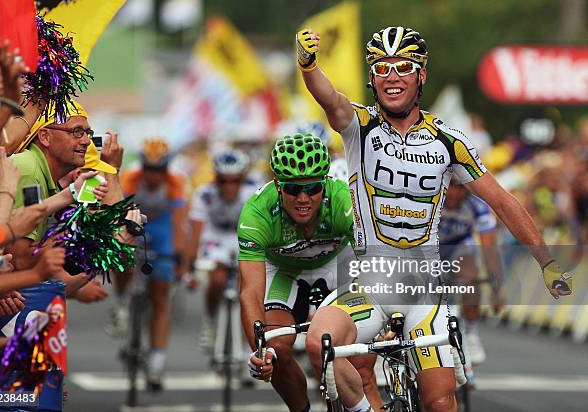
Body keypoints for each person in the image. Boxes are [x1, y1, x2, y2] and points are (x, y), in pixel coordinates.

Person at [297, 26, 573, 412]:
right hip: (369, 280)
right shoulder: (359, 125)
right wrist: (308, 65)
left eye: (404, 67)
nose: (392, 77)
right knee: (318, 342)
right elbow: (329, 98)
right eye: (382, 68)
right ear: (372, 78)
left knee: (440, 401)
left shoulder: (449, 141)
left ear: (421, 75)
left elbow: (504, 202)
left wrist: (547, 263)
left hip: (423, 286)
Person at [239, 134, 383, 412]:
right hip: (283, 271)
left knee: (360, 362)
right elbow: (251, 292)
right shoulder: (256, 214)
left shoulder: (345, 200)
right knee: (276, 348)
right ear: (278, 185)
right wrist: (259, 352)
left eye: (313, 188)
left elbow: (374, 265)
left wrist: (388, 318)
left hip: (338, 267)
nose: (303, 198)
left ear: (325, 183)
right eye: (293, 189)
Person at [0, 101, 110, 412]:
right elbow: (20, 259)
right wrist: (83, 239)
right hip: (3, 313)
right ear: (44, 136)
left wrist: (102, 249)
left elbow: (54, 280)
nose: (85, 141)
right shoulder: (27, 168)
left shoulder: (44, 175)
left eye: (88, 133)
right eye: (76, 131)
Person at [113, 137, 187, 391]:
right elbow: (116, 215)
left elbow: (179, 224)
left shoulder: (175, 183)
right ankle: (123, 299)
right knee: (121, 255)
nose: (154, 175)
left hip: (162, 227)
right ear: (143, 167)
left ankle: (156, 360)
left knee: (160, 294)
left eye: (159, 170)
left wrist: (178, 257)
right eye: (150, 169)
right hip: (134, 221)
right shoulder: (130, 179)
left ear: (167, 169)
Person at [185, 148, 257, 350]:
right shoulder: (204, 194)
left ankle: (245, 346)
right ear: (216, 179)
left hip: (242, 234)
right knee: (216, 278)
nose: (229, 186)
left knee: (248, 286)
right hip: (215, 235)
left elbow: (263, 229)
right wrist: (190, 267)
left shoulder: (253, 193)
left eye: (235, 181)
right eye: (223, 181)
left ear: (242, 179)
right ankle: (210, 322)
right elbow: (196, 231)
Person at [439, 182, 505, 367]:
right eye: (453, 187)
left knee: (470, 275)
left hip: (459, 247)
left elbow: (489, 250)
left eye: (462, 188)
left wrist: (496, 288)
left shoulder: (478, 206)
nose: (456, 193)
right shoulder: (432, 197)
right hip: (429, 248)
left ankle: (470, 330)